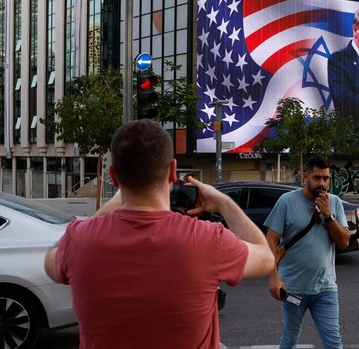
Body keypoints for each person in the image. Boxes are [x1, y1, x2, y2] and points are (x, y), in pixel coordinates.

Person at [44, 120, 274, 348]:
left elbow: (51, 261)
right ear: (173, 171)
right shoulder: (207, 238)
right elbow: (266, 259)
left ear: (114, 176)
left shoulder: (79, 239)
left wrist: (112, 205)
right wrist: (224, 202)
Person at [265, 156, 351, 349]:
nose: (322, 183)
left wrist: (328, 215)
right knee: (290, 339)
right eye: (317, 177)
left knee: (334, 343)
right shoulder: (286, 202)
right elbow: (271, 240)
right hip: (293, 288)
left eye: (326, 179)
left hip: (326, 289)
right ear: (305, 177)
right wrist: (273, 277)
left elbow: (344, 242)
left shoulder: (335, 203)